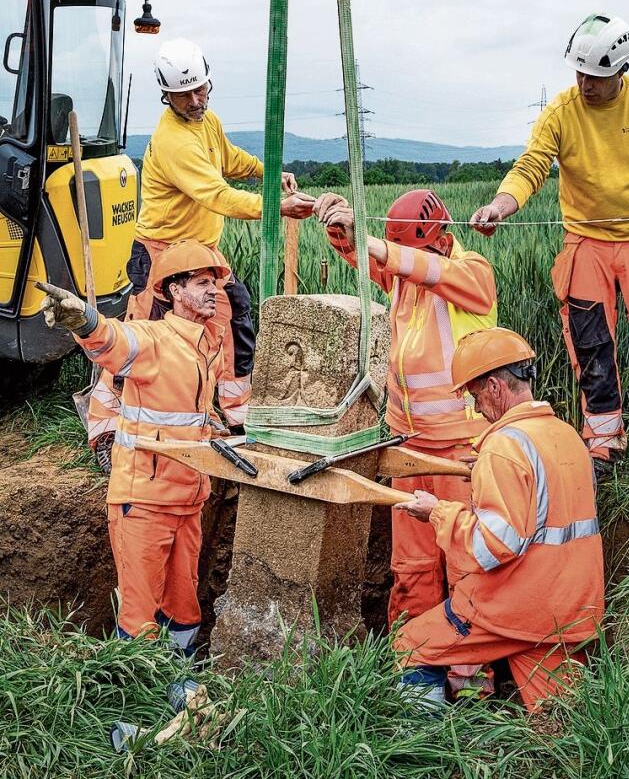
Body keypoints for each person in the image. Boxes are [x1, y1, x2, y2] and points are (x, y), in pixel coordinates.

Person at [87, 38, 314, 470]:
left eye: (201, 90)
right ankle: (104, 429)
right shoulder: (174, 142)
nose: (195, 100)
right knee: (143, 338)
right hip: (161, 253)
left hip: (199, 254)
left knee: (233, 315)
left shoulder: (205, 122)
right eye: (184, 94)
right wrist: (275, 205)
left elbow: (228, 160)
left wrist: (268, 172)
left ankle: (236, 418)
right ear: (165, 94)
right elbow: (218, 195)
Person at [470, 13, 629, 475]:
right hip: (585, 244)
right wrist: (499, 207)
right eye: (579, 72)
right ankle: (604, 443)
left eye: (597, 76)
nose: (585, 83)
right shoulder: (561, 113)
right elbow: (531, 168)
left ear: (621, 71)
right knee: (591, 347)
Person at [315, 191, 498, 695]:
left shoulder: (472, 272)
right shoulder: (403, 275)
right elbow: (372, 263)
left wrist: (379, 245)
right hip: (408, 445)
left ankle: (470, 678)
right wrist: (343, 235)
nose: (397, 260)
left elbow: (423, 269)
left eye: (402, 248)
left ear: (442, 234)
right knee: (412, 565)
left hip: (462, 451)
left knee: (465, 562)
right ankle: (416, 672)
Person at [394, 327, 604, 711]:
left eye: (475, 396)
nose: (475, 409)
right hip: (571, 610)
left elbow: (494, 546)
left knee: (410, 645)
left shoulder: (504, 447)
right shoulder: (567, 436)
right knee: (560, 724)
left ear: (494, 386)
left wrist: (436, 512)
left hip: (519, 608)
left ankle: (422, 751)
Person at [38, 240, 233, 655]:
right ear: (174, 291)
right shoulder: (155, 339)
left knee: (184, 607)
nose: (213, 290)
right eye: (201, 282)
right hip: (143, 501)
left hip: (189, 500)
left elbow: (194, 418)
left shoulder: (206, 348)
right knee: (139, 613)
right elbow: (114, 340)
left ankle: (177, 679)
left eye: (215, 283)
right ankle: (135, 698)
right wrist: (87, 320)